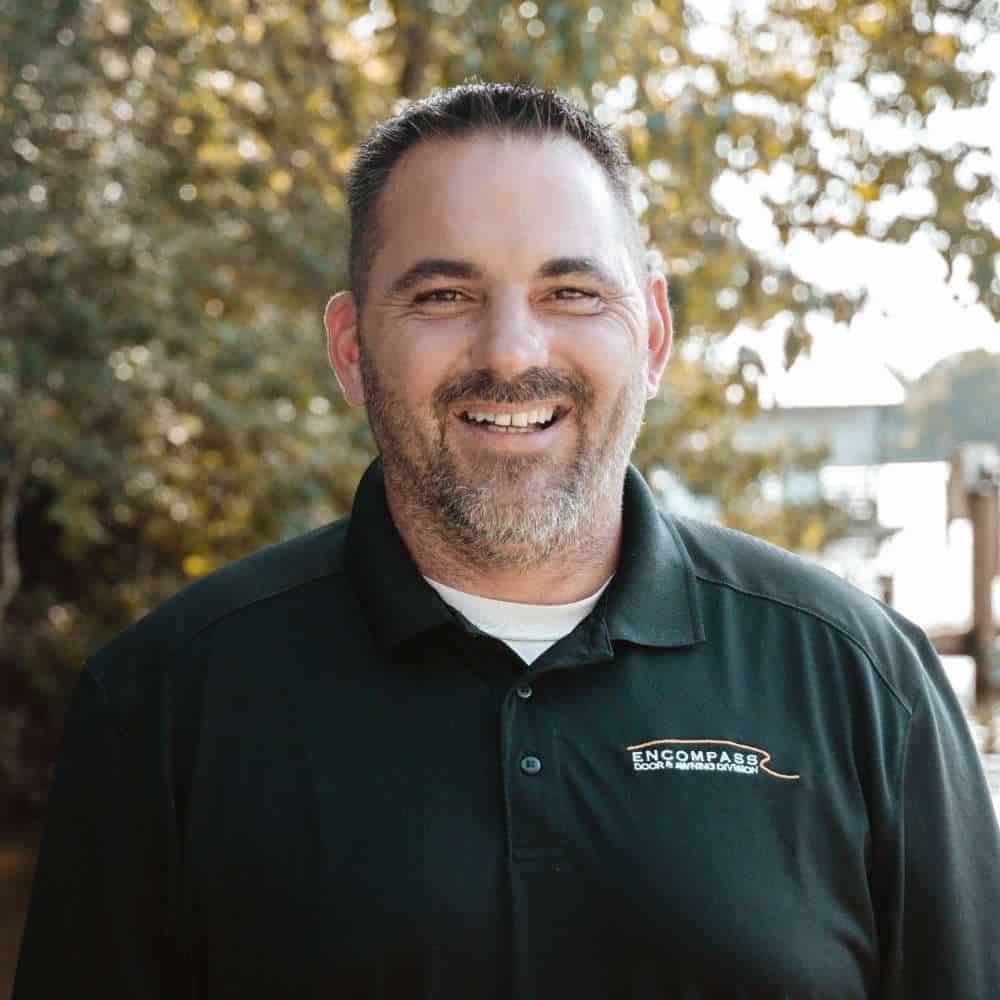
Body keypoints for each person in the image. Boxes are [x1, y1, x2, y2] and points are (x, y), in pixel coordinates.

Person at [13, 82, 999, 1000]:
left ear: (651, 335)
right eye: (442, 296)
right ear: (352, 351)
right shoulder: (162, 705)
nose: (511, 353)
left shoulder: (863, 682)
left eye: (571, 292)